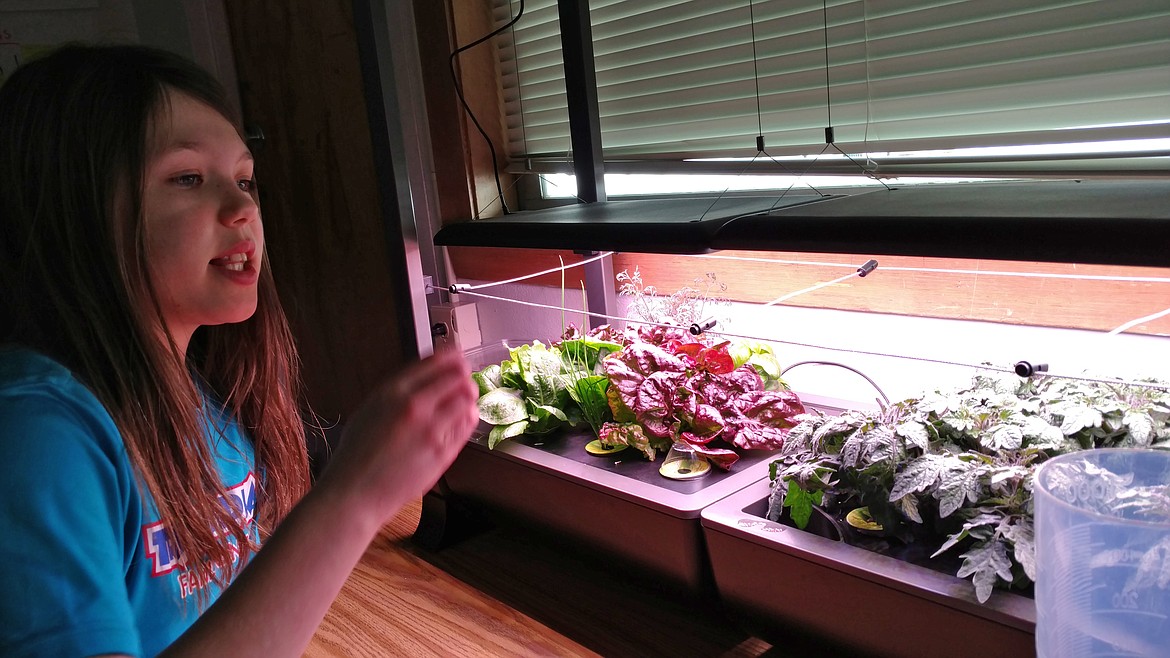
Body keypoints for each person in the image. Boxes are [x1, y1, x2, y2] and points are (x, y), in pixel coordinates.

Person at [0, 42, 480, 657]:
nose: (242, 207)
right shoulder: (38, 435)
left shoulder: (211, 396)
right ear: (71, 204)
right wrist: (353, 498)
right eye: (188, 178)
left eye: (245, 179)